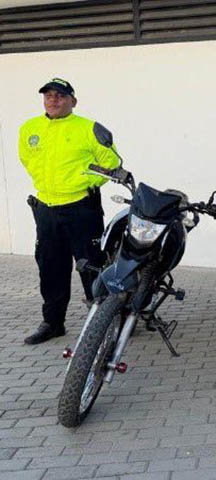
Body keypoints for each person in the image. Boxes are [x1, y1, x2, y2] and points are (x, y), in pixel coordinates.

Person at [19, 78, 120, 345]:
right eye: (48, 96)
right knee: (50, 267)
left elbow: (112, 163)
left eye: (60, 96)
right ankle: (53, 323)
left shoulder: (89, 128)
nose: (53, 100)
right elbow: (27, 159)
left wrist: (84, 182)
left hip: (81, 208)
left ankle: (101, 324)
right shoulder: (30, 128)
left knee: (92, 266)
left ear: (72, 101)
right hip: (46, 209)